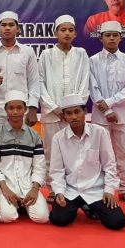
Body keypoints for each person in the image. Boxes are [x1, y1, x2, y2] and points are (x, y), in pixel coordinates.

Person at [49, 94, 125, 230]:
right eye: (69, 113)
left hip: (95, 190)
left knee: (118, 222)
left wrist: (109, 190)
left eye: (77, 112)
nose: (74, 117)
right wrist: (59, 192)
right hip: (70, 190)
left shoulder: (100, 133)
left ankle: (89, 206)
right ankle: (78, 207)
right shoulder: (58, 138)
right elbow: (56, 171)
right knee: (59, 219)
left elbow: (109, 164)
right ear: (64, 116)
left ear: (85, 111)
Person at [89, 21, 125, 206]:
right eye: (107, 35)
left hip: (122, 115)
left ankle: (124, 190)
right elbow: (92, 87)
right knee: (98, 152)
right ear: (101, 38)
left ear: (120, 38)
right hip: (99, 115)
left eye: (115, 35)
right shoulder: (92, 61)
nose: (111, 38)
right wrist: (106, 109)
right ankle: (99, 190)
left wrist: (110, 104)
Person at [38, 14, 89, 202]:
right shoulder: (46, 55)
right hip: (52, 114)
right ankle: (53, 189)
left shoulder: (81, 54)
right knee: (51, 152)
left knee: (76, 152)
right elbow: (40, 83)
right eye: (63, 30)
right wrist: (54, 108)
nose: (66, 33)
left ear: (75, 34)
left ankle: (74, 188)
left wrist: (73, 109)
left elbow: (85, 81)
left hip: (74, 115)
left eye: (70, 30)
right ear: (55, 33)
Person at [0, 90, 49, 224]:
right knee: (7, 217)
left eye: (19, 108)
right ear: (5, 110)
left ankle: (23, 205)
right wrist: (4, 188)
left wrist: (34, 189)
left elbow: (39, 166)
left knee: (42, 217)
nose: (15, 112)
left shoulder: (34, 135)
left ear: (25, 110)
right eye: (11, 108)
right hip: (6, 184)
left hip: (28, 185)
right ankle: (17, 205)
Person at [0, 11, 40, 138]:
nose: (7, 28)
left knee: (22, 147)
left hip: (21, 111)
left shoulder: (28, 52)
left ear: (17, 29)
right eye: (3, 25)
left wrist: (33, 110)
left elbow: (34, 82)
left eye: (11, 25)